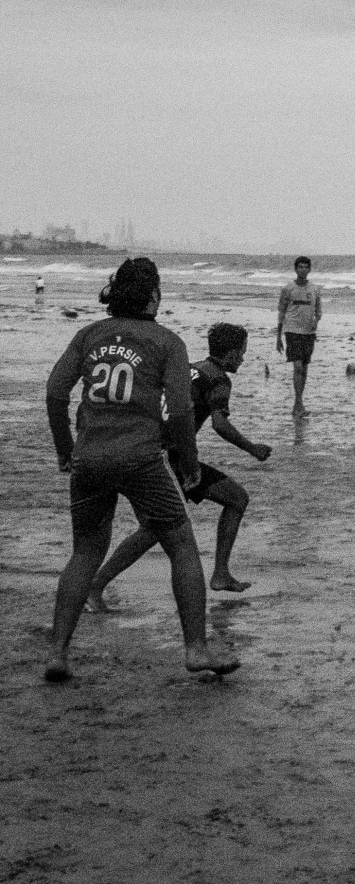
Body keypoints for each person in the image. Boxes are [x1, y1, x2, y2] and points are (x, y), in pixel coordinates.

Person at [43, 257, 238, 680]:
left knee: (84, 552)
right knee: (181, 545)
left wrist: (65, 449)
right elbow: (181, 413)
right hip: (140, 460)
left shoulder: (89, 334)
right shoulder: (166, 342)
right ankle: (196, 649)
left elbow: (56, 393)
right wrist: (188, 464)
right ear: (153, 295)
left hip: (89, 459)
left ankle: (57, 653)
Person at [88, 321, 271, 603]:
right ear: (232, 354)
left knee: (235, 499)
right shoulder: (219, 380)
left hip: (151, 446)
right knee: (155, 527)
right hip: (163, 456)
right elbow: (220, 426)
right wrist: (252, 448)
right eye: (243, 352)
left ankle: (221, 573)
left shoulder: (191, 368)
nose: (244, 359)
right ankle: (96, 585)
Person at [276, 256, 322, 417]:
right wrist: (278, 337)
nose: (303, 269)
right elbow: (281, 312)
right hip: (292, 331)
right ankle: (298, 402)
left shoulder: (315, 289)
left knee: (305, 367)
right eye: (300, 267)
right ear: (296, 269)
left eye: (305, 267)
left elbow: (318, 310)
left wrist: (316, 321)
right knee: (298, 367)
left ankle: (299, 401)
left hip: (308, 333)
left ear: (309, 269)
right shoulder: (288, 289)